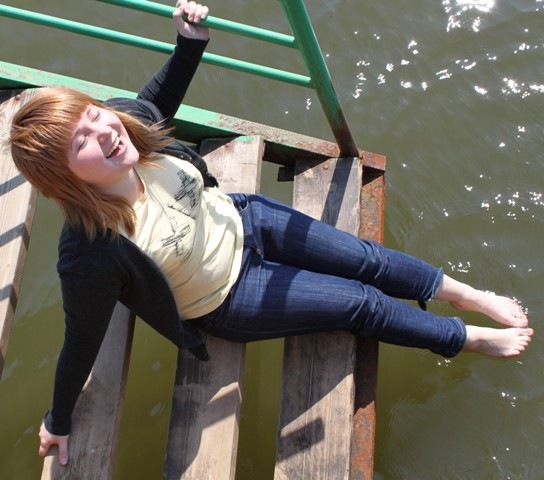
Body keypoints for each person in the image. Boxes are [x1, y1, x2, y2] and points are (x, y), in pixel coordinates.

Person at [9, 0, 532, 468]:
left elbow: (158, 98)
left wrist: (190, 43)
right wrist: (59, 419)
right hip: (229, 295)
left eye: (94, 115)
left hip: (246, 218)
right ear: (63, 176)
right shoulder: (90, 251)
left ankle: (464, 294)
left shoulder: (127, 126)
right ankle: (464, 339)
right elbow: (81, 336)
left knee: (367, 258)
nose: (106, 131)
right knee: (360, 303)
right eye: (82, 141)